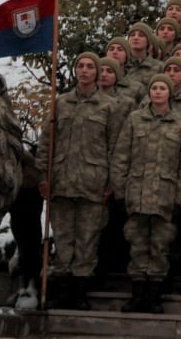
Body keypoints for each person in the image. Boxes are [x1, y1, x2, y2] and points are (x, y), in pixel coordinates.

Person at [36, 52, 117, 310]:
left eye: (90, 67)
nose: (84, 70)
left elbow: (116, 147)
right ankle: (62, 290)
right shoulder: (61, 103)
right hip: (61, 182)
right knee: (63, 239)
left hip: (93, 184)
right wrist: (43, 175)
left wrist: (112, 182)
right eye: (80, 66)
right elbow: (46, 142)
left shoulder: (109, 106)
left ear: (97, 72)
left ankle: (80, 292)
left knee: (87, 239)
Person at [110, 74, 181, 314]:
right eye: (154, 88)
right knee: (137, 244)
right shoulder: (135, 120)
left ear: (170, 93)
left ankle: (154, 296)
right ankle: (137, 294)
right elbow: (121, 157)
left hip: (165, 195)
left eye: (162, 88)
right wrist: (120, 191)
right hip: (136, 193)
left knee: (160, 245)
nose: (157, 92)